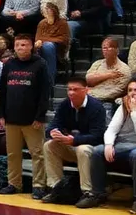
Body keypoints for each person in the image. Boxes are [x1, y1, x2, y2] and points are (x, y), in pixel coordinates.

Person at [79, 79, 136, 211]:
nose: (132, 94)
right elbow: (111, 130)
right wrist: (108, 145)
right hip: (122, 148)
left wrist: (135, 111)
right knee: (97, 151)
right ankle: (98, 194)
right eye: (130, 90)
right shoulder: (122, 108)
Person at [0, 33, 52, 198]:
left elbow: (45, 92)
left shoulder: (40, 64)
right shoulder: (9, 65)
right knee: (13, 154)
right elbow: (3, 91)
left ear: (31, 46)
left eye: (24, 45)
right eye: (17, 45)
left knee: (37, 154)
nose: (20, 48)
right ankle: (14, 184)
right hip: (11, 118)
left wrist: (40, 116)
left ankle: (39, 186)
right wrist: (1, 113)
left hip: (32, 119)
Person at [41, 75, 109, 205]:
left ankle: (87, 192)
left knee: (82, 149)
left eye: (76, 89)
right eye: (69, 89)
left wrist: (74, 140)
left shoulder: (96, 107)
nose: (71, 92)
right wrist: (54, 132)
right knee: (49, 145)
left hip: (92, 150)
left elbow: (98, 136)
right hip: (71, 145)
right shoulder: (65, 105)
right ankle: (56, 188)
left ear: (86, 90)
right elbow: (53, 125)